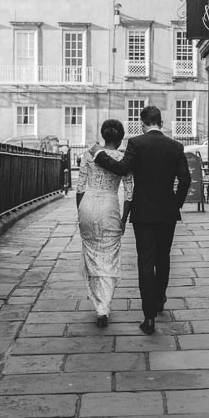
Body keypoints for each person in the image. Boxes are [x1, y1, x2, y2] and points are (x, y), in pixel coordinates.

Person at [90, 106, 190, 335]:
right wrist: (176, 204)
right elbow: (185, 179)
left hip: (143, 213)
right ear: (161, 122)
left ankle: (149, 318)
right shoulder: (175, 146)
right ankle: (159, 298)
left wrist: (98, 154)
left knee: (145, 262)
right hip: (167, 213)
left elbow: (121, 168)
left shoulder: (136, 143)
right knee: (163, 257)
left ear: (143, 123)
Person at [76, 119, 133, 328]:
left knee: (91, 253)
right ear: (119, 138)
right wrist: (124, 219)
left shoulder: (89, 154)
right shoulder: (123, 159)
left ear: (103, 135)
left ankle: (97, 303)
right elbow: (129, 193)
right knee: (109, 255)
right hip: (110, 206)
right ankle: (104, 306)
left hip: (88, 205)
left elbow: (80, 187)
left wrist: (79, 213)